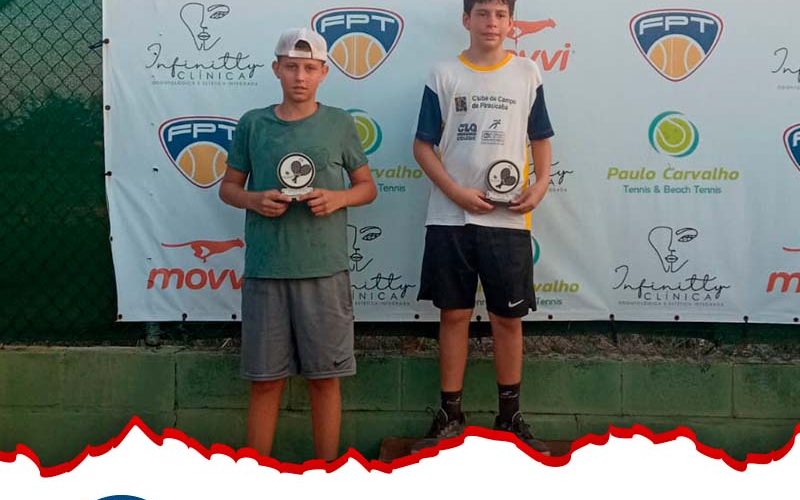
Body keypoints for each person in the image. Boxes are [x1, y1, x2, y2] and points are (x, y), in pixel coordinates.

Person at [219, 27, 377, 461]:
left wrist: (337, 198)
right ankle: (255, 474)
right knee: (265, 381)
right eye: (291, 67)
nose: (300, 77)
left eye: (309, 68)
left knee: (324, 380)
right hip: (266, 271)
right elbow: (228, 188)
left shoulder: (339, 123)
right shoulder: (253, 124)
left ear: (324, 72)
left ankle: (327, 473)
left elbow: (366, 187)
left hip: (324, 270)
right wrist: (254, 200)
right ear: (276, 69)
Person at [413, 0, 554, 454]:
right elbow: (422, 146)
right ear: (466, 19)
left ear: (511, 23)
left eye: (499, 14)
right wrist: (455, 192)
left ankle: (509, 416)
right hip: (450, 217)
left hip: (508, 219)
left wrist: (540, 185)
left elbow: (540, 138)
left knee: (507, 319)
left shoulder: (528, 72)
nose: (491, 22)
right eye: (482, 13)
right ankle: (450, 413)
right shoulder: (442, 74)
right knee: (453, 315)